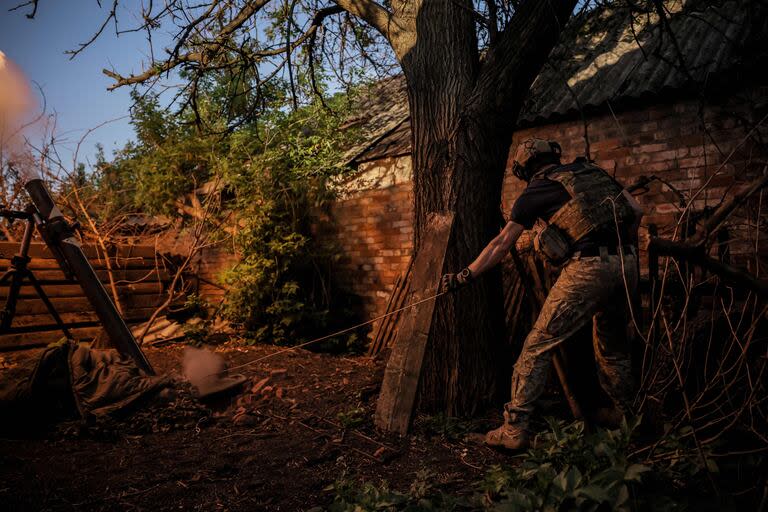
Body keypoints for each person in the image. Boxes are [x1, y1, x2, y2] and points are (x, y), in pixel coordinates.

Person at [441, 138, 644, 451]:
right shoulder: (592, 172)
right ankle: (630, 418)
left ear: (525, 169)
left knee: (538, 345)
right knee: (612, 344)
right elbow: (636, 209)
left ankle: (514, 428)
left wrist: (465, 274)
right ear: (555, 156)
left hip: (589, 268)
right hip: (628, 263)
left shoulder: (534, 192)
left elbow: (500, 245)